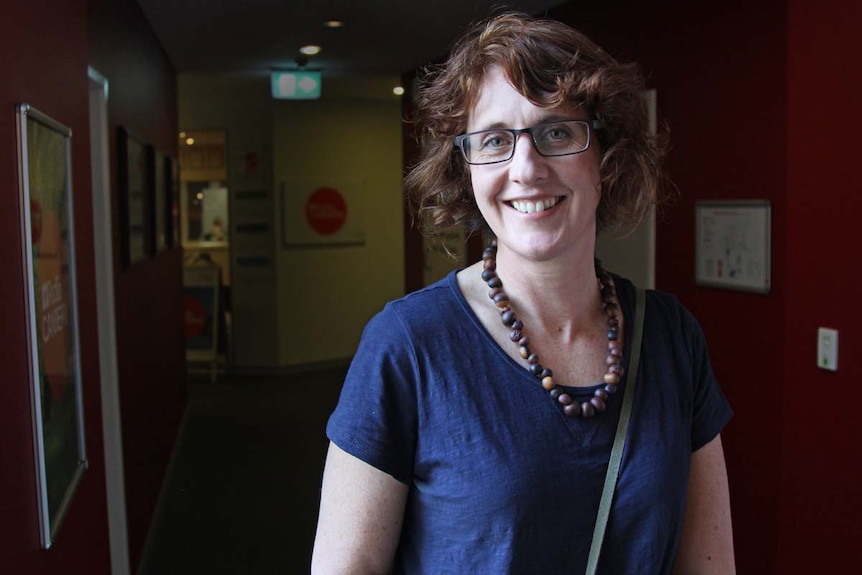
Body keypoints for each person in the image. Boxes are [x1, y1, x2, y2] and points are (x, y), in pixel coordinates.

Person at [312, 11, 735, 574]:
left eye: (557, 131)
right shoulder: (408, 345)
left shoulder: (671, 338)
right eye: (493, 140)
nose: (525, 167)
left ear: (605, 157)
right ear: (466, 168)